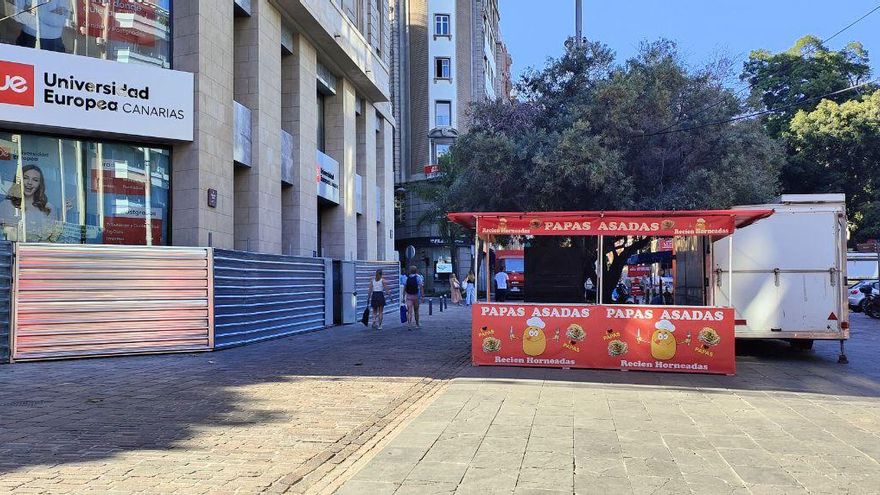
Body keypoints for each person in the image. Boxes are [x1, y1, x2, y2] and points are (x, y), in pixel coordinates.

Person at [0, 165, 61, 242]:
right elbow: (4, 235)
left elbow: (53, 237)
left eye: (35, 180)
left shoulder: (49, 207)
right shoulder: (6, 205)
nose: (29, 183)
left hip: (41, 252)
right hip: (14, 251)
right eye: (25, 178)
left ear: (40, 185)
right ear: (19, 181)